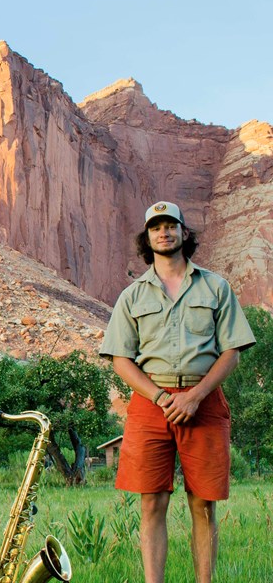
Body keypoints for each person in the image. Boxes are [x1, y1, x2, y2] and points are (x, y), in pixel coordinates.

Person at [99, 201, 256, 583]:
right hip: (151, 405)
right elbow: (120, 359)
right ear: (147, 238)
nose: (164, 233)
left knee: (202, 504)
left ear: (185, 233)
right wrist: (161, 397)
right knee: (152, 501)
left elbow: (231, 352)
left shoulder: (216, 286)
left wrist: (196, 396)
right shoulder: (133, 295)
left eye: (171, 226)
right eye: (156, 227)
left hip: (203, 400)